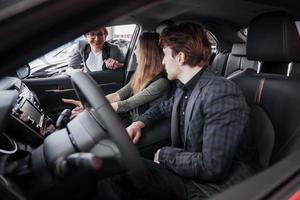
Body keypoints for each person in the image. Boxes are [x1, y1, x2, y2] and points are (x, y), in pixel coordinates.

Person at [97, 22, 259, 199]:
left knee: (116, 176)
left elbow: (212, 166)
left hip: (213, 188)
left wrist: (165, 155)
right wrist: (138, 123)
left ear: (180, 57)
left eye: (165, 55)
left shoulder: (221, 93)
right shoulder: (186, 87)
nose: (163, 60)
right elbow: (163, 108)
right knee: (113, 169)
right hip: (189, 174)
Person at [63, 32, 170, 123]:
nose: (135, 51)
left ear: (148, 53)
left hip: (137, 123)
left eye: (138, 48)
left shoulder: (160, 83)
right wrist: (89, 104)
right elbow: (117, 95)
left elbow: (127, 104)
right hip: (126, 117)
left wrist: (91, 109)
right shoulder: (141, 74)